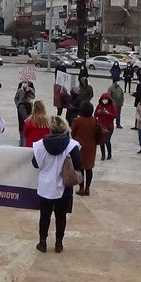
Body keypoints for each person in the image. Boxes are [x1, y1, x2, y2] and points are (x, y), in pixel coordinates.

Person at [32, 116, 81, 253]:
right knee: (61, 215)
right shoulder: (72, 145)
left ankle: (42, 243)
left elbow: (35, 163)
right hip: (64, 186)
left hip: (45, 185)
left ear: (50, 128)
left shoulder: (40, 145)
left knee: (45, 215)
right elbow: (78, 163)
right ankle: (59, 243)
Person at [72, 102, 99, 196]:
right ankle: (88, 188)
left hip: (80, 147)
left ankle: (81, 188)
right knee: (89, 168)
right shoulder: (94, 120)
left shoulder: (77, 120)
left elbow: (73, 133)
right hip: (91, 147)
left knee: (80, 168)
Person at [95, 93, 117, 161]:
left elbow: (114, 116)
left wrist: (108, 113)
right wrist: (98, 112)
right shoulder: (99, 106)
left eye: (106, 99)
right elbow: (95, 114)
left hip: (109, 127)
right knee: (101, 141)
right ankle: (103, 155)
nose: (104, 100)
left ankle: (109, 154)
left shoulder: (112, 106)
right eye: (103, 99)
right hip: (101, 127)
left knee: (107, 140)